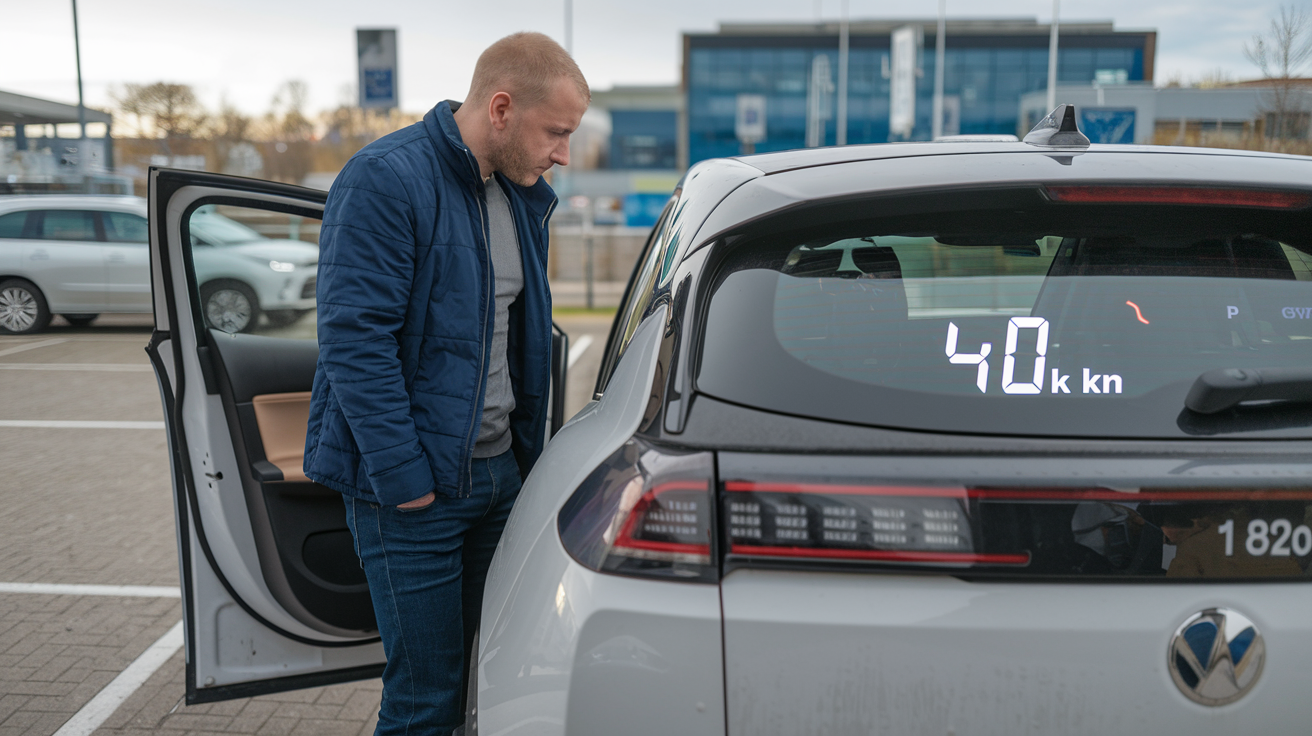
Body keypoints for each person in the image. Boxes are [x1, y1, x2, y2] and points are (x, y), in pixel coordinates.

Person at [303, 32, 589, 735]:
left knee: (487, 685)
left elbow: (518, 340)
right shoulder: (384, 179)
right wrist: (406, 483)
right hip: (415, 496)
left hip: (500, 481)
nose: (564, 154)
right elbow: (354, 341)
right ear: (501, 108)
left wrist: (525, 466)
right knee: (424, 703)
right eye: (556, 132)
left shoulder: (519, 197)